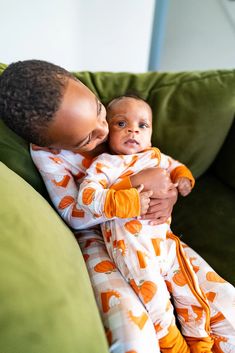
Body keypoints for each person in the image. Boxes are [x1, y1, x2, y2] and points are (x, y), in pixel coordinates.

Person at [0, 60, 234, 353]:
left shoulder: (121, 116)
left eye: (100, 112)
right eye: (88, 139)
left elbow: (160, 166)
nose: (105, 130)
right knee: (134, 335)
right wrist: (129, 188)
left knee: (226, 303)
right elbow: (73, 214)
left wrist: (169, 192)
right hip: (100, 240)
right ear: (54, 145)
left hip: (151, 230)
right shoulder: (49, 155)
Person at [77, 94, 234, 353]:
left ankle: (201, 343)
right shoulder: (106, 164)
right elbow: (87, 197)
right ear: (107, 132)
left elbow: (176, 167)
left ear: (150, 134)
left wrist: (183, 179)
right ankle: (174, 346)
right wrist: (127, 198)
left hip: (165, 243)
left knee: (190, 292)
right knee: (156, 300)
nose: (132, 130)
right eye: (121, 124)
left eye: (142, 125)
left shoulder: (155, 157)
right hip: (131, 248)